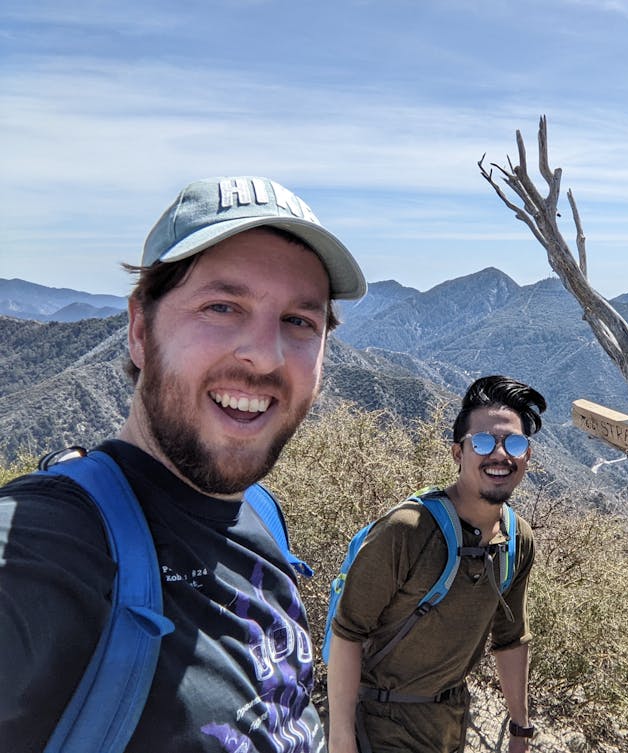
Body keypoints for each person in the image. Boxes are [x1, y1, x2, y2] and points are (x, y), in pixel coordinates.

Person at [0, 176, 367, 753]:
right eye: (222, 307)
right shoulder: (48, 551)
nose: (265, 355)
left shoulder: (261, 516)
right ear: (141, 331)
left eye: (300, 321)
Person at [326, 375, 546, 753]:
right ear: (458, 453)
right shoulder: (408, 530)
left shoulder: (517, 540)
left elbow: (510, 638)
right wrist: (341, 739)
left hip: (448, 726)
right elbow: (348, 631)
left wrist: (519, 729)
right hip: (378, 725)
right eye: (481, 442)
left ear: (527, 455)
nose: (499, 455)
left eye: (513, 442)